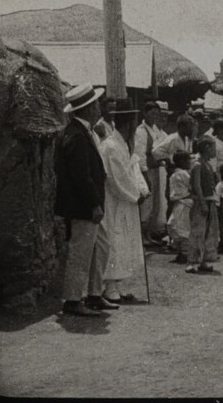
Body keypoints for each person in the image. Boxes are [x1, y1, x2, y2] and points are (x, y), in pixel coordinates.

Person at [55, 83, 116, 316]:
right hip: (83, 206)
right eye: (96, 104)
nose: (100, 107)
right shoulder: (76, 136)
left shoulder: (80, 132)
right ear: (88, 108)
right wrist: (93, 204)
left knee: (100, 246)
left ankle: (93, 294)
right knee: (80, 252)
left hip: (87, 204)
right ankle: (72, 300)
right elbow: (81, 176)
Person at [100, 103, 151, 302]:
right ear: (127, 125)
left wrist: (142, 190)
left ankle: (117, 284)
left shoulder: (124, 145)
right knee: (115, 240)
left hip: (126, 201)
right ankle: (109, 286)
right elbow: (117, 178)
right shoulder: (111, 146)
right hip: (116, 201)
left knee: (124, 242)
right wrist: (135, 194)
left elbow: (132, 170)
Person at [135, 101, 169, 246]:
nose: (154, 116)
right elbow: (140, 155)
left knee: (156, 202)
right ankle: (141, 235)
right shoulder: (141, 132)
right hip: (146, 171)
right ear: (145, 114)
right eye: (151, 113)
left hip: (156, 170)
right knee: (146, 204)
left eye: (156, 114)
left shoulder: (155, 130)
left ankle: (149, 233)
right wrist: (143, 174)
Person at [187, 137, 219, 273]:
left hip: (209, 200)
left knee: (207, 232)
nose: (215, 150)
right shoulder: (198, 164)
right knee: (197, 232)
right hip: (201, 202)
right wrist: (203, 203)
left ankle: (203, 260)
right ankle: (191, 262)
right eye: (213, 147)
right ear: (207, 148)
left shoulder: (207, 163)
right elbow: (197, 185)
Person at [167, 151, 194, 264]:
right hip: (183, 202)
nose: (190, 162)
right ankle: (183, 253)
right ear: (182, 161)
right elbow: (191, 185)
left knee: (179, 227)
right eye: (188, 160)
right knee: (182, 227)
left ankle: (183, 252)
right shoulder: (182, 174)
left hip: (182, 202)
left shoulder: (176, 174)